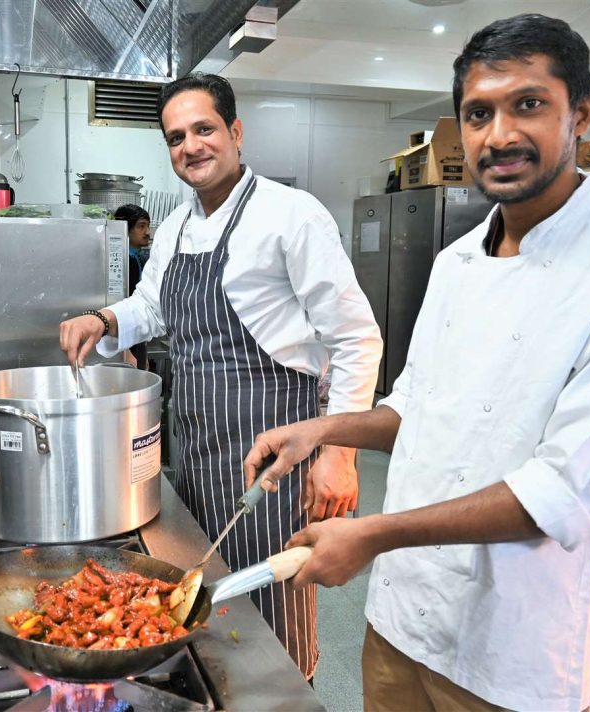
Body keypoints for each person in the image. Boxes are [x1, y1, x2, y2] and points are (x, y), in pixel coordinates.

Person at [243, 14, 590, 711]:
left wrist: (371, 535)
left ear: (581, 113)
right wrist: (324, 431)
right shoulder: (456, 262)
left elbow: (564, 493)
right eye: (479, 113)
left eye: (529, 105)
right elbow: (419, 408)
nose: (501, 133)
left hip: (511, 650)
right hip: (402, 620)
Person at [59, 73, 382, 678]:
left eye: (204, 129)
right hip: (200, 444)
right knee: (204, 592)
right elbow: (153, 308)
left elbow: (357, 339)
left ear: (235, 132)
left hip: (276, 449)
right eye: (176, 137)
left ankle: (289, 691)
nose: (191, 147)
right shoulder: (178, 227)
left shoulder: (292, 215)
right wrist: (103, 319)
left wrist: (340, 454)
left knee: (273, 593)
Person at [114, 203, 153, 368]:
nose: (148, 232)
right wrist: (126, 352)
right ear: (126, 229)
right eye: (141, 226)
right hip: (125, 344)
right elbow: (117, 306)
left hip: (134, 339)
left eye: (148, 226)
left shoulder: (136, 257)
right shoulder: (122, 262)